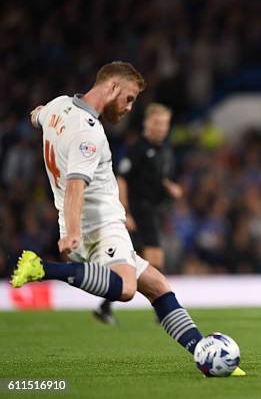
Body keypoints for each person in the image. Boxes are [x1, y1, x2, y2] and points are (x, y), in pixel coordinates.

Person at [11, 61, 244, 376]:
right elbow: (76, 184)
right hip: (100, 226)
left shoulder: (59, 105)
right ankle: (43, 268)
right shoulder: (88, 134)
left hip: (82, 225)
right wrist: (74, 231)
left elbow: (37, 115)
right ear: (112, 88)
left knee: (158, 287)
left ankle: (204, 352)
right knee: (125, 288)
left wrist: (38, 115)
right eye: (130, 98)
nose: (130, 107)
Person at [93, 103, 182, 325]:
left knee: (133, 263)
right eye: (157, 123)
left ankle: (105, 306)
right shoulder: (137, 149)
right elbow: (121, 179)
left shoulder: (164, 150)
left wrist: (170, 187)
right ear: (147, 124)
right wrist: (125, 211)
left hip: (152, 209)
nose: (161, 128)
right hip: (138, 209)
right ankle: (162, 311)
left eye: (165, 124)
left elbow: (156, 178)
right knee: (153, 258)